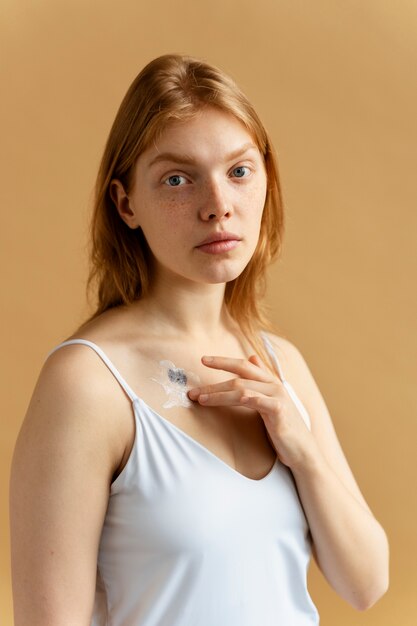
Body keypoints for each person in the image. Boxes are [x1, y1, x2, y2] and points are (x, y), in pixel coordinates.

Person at [9, 53, 389, 625]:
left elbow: (366, 584)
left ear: (266, 178)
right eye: (177, 179)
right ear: (125, 203)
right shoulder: (87, 383)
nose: (218, 206)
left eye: (238, 171)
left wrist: (301, 445)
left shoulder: (281, 365)